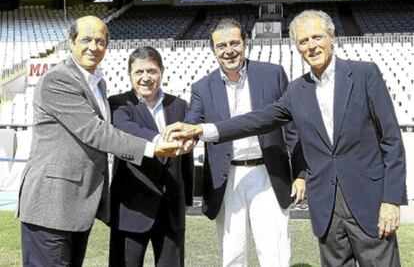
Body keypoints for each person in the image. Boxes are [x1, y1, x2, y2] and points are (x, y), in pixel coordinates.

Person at [164, 10, 407, 266]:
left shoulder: (365, 74)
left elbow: (391, 140)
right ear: (297, 47)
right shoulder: (297, 90)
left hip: (366, 199)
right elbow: (257, 120)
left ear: (331, 37)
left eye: (317, 37)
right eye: (303, 41)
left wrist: (391, 199)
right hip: (325, 205)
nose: (311, 46)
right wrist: (202, 130)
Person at [17, 16, 184, 267]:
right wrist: (153, 147)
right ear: (71, 42)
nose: (93, 47)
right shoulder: (58, 79)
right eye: (86, 39)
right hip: (50, 206)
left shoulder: (97, 83)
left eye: (100, 41)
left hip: (76, 206)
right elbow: (95, 132)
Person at [182, 18, 306, 267]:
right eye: (221, 46)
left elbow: (293, 130)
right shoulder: (202, 87)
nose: (228, 51)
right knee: (232, 254)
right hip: (227, 178)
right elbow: (191, 127)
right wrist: (182, 137)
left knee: (276, 252)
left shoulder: (273, 74)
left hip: (268, 173)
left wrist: (300, 174)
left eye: (234, 43)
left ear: (245, 42)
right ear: (213, 49)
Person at [107, 46, 194, 267]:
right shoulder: (118, 104)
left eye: (152, 71)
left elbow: (186, 159)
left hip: (171, 207)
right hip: (131, 207)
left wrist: (187, 197)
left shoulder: (179, 105)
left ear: (162, 71)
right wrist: (160, 142)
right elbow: (126, 130)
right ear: (130, 74)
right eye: (139, 72)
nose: (146, 78)